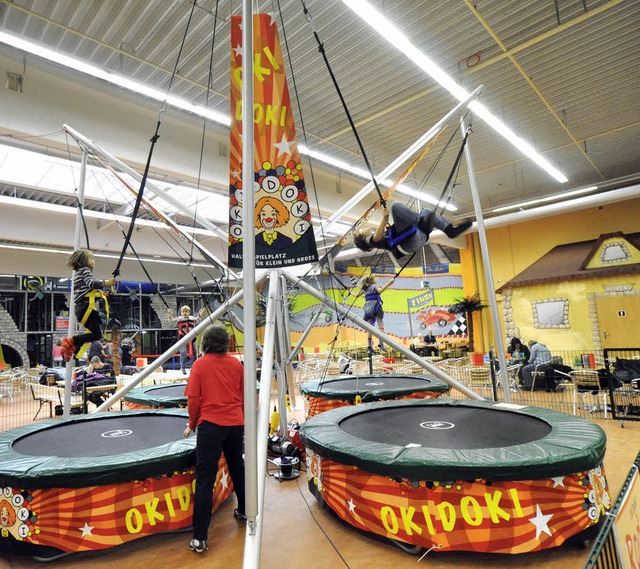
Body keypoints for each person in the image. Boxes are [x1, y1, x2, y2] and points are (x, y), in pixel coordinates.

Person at [183, 323, 246, 554]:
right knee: (237, 468)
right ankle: (246, 510)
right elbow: (244, 395)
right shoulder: (236, 364)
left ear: (206, 343)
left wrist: (192, 424)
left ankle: (200, 538)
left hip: (211, 425)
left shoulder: (200, 365)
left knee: (205, 479)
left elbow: (194, 400)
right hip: (235, 424)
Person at [353, 201, 472, 260]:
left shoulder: (382, 238)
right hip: (406, 242)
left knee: (428, 212)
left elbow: (380, 235)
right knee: (395, 206)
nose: (363, 229)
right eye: (361, 231)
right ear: (362, 238)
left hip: (416, 239)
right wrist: (384, 218)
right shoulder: (370, 240)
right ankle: (420, 221)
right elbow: (377, 237)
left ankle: (449, 230)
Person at [60, 249, 116, 362]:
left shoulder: (78, 273)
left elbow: (87, 290)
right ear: (85, 261)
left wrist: (101, 294)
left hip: (82, 308)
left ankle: (74, 347)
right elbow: (91, 284)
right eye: (92, 259)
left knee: (95, 333)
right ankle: (72, 341)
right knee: (97, 335)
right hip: (85, 308)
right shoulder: (85, 270)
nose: (94, 262)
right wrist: (106, 283)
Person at [360, 274, 395, 351]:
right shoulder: (374, 286)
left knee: (370, 328)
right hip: (376, 308)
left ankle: (369, 345)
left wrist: (349, 291)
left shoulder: (364, 289)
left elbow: (356, 295)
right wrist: (389, 283)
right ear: (372, 280)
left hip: (368, 310)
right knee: (381, 326)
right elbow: (380, 290)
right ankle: (381, 343)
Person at [168, 305, 204, 374]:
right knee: (183, 352)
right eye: (183, 312)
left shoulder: (192, 318)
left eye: (186, 312)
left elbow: (198, 319)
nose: (184, 313)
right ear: (181, 313)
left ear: (189, 312)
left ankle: (194, 366)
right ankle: (183, 367)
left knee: (195, 352)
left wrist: (200, 315)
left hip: (191, 338)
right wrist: (169, 314)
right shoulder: (180, 319)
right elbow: (172, 320)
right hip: (183, 338)